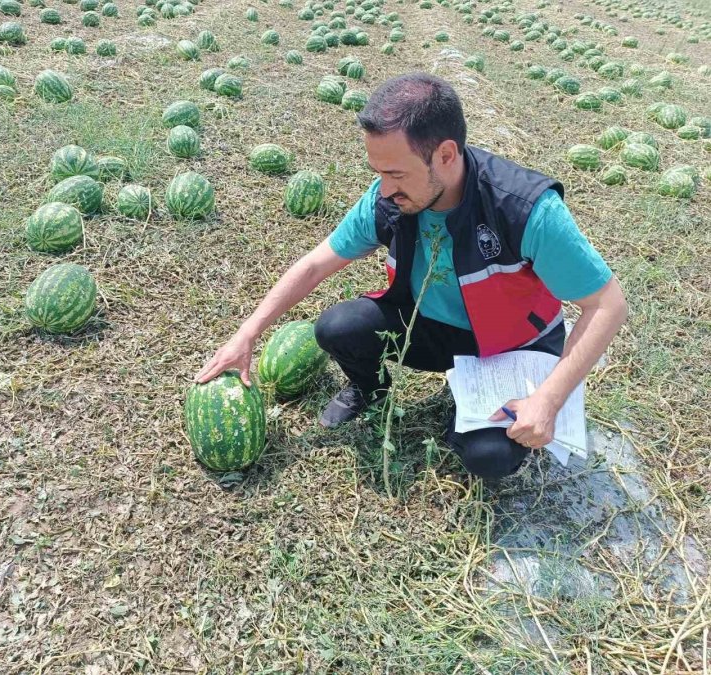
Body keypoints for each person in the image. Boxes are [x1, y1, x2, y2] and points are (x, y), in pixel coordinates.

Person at [194, 72, 628, 480]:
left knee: (488, 458)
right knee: (337, 328)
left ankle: (474, 411)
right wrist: (247, 333)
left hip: (511, 344)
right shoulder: (389, 199)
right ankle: (370, 389)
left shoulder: (524, 209)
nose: (384, 189)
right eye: (378, 173)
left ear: (445, 155)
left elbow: (608, 305)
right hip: (433, 328)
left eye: (396, 173)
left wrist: (547, 401)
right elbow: (314, 264)